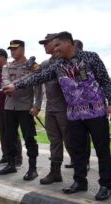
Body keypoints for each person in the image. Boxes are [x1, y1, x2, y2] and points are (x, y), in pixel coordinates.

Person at [4, 31, 111, 201]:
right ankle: (79, 181)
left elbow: (105, 80)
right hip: (74, 114)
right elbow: (38, 77)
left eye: (57, 45)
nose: (54, 49)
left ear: (69, 43)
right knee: (77, 150)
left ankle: (105, 185)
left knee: (102, 150)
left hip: (96, 111)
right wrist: (15, 85)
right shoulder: (57, 65)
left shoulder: (91, 57)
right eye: (53, 46)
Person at [0, 40, 43, 181]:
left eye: (15, 49)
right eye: (11, 49)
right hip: (10, 105)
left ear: (23, 49)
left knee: (29, 137)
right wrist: (9, 87)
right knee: (9, 137)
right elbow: (4, 80)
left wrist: (37, 106)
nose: (12, 51)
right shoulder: (7, 66)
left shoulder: (32, 66)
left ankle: (32, 168)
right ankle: (11, 163)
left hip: (25, 106)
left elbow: (38, 87)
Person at [37, 33, 73, 185]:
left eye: (47, 43)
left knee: (70, 141)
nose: (45, 46)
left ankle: (80, 173)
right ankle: (55, 172)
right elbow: (37, 82)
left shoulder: (65, 60)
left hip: (65, 108)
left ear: (55, 43)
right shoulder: (45, 64)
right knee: (54, 141)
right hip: (51, 108)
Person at [0, 48, 23, 166]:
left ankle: (17, 158)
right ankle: (6, 155)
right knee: (2, 133)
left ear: (4, 57)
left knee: (12, 133)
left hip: (9, 106)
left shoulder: (10, 69)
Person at [65, 39, 91, 171]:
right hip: (73, 106)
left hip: (85, 106)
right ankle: (75, 160)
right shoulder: (67, 63)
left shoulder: (82, 63)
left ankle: (85, 162)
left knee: (84, 137)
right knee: (74, 137)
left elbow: (84, 81)